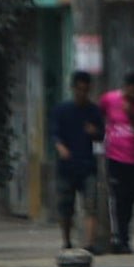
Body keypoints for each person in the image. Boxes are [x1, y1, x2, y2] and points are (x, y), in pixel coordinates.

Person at [99, 71, 134, 255]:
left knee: (129, 200)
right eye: (130, 92)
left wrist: (133, 117)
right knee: (117, 198)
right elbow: (98, 118)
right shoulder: (109, 99)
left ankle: (123, 236)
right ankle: (118, 237)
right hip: (114, 157)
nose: (133, 96)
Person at [49, 71, 104, 252]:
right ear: (73, 89)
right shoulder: (62, 110)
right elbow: (54, 134)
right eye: (79, 89)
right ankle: (66, 241)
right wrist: (61, 148)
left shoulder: (94, 111)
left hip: (87, 166)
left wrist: (94, 132)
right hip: (67, 168)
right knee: (66, 207)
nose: (82, 93)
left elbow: (101, 136)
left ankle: (89, 244)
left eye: (86, 90)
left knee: (91, 205)